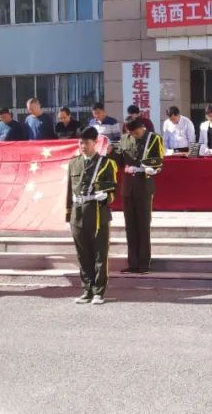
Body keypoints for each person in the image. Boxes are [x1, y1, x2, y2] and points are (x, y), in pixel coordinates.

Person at [65, 127, 118, 305]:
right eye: (80, 143)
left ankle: (98, 292)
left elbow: (113, 190)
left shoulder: (106, 163)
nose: (83, 146)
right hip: (77, 214)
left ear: (95, 143)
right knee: (83, 255)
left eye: (86, 143)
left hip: (97, 213)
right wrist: (68, 214)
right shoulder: (74, 163)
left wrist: (106, 197)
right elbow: (69, 191)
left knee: (99, 254)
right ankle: (87, 290)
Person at [113, 118, 164, 274]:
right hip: (128, 187)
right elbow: (119, 162)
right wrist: (110, 152)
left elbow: (159, 161)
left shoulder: (154, 139)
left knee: (143, 225)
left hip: (144, 185)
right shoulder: (124, 139)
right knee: (130, 227)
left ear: (142, 127)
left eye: (136, 132)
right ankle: (132, 263)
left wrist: (153, 169)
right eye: (131, 133)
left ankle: (143, 264)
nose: (134, 136)